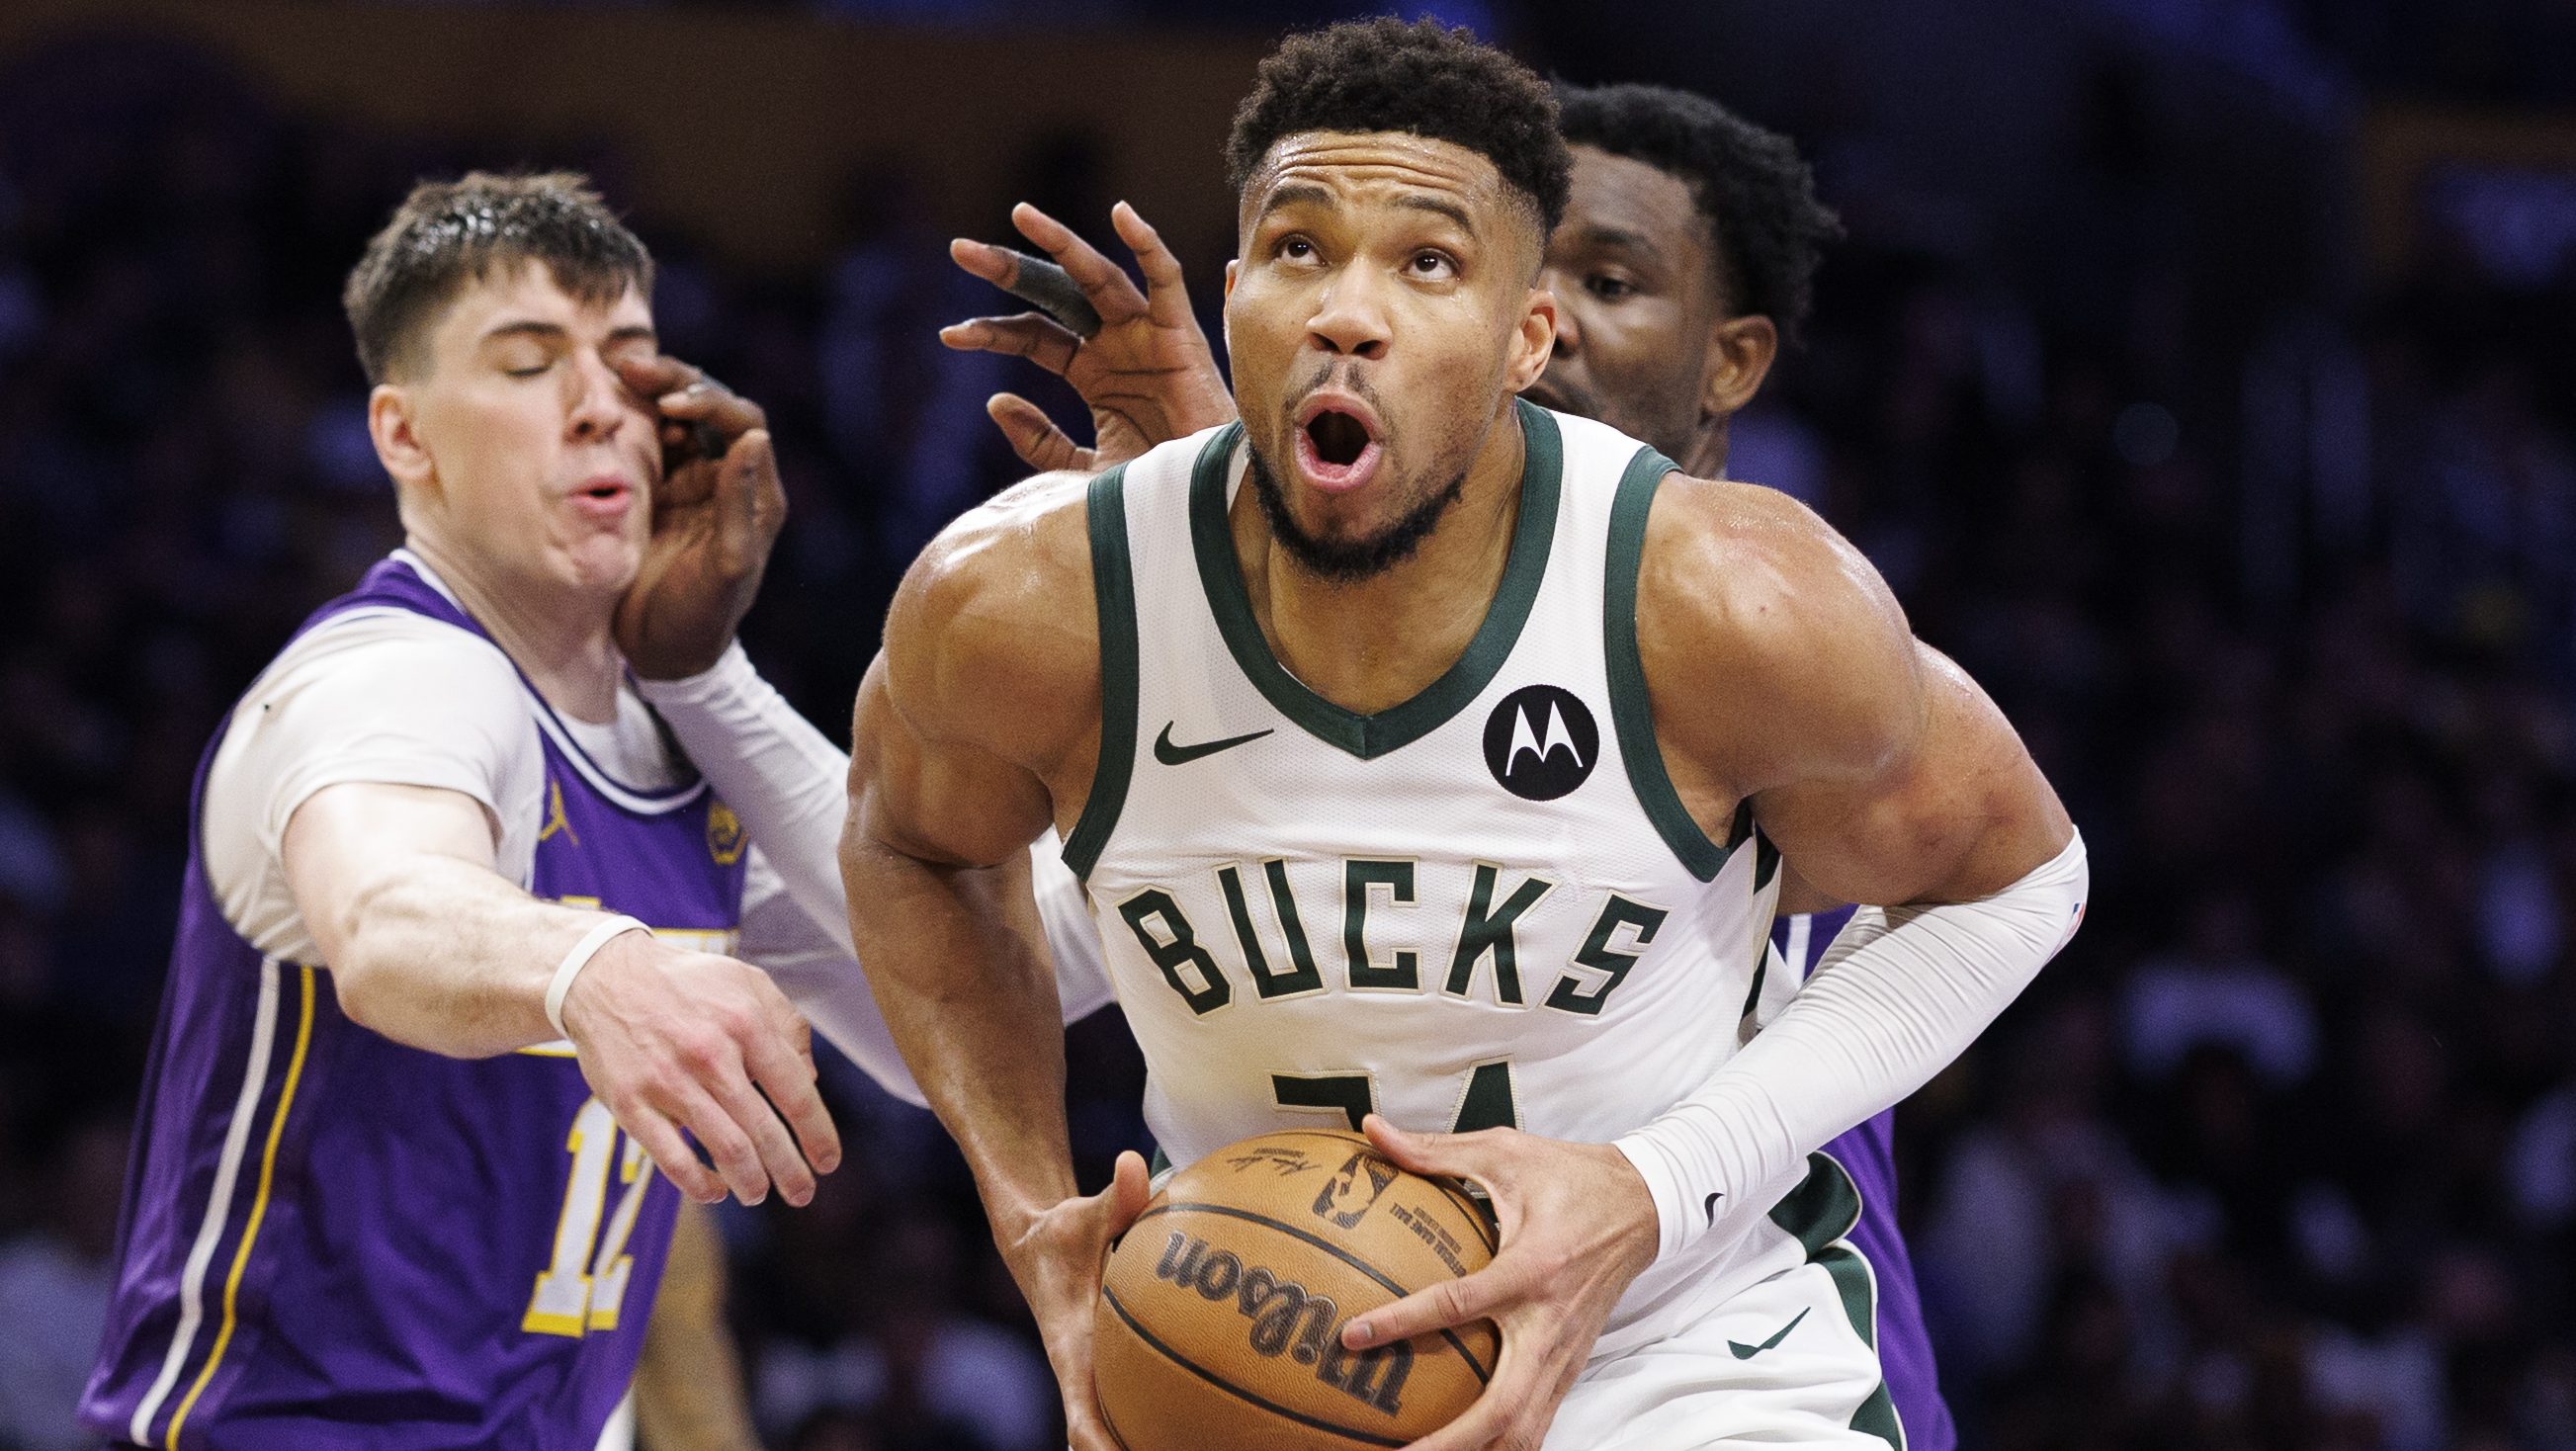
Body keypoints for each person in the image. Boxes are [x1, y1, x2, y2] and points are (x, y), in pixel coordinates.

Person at [848, 19, 2081, 1451]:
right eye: (1298, 250)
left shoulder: (1723, 596)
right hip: (1272, 1351)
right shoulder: (1028, 600)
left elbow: (2018, 875)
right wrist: (1031, 1213)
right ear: (1234, 298)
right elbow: (910, 851)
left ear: (1525, 340)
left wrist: (1651, 1184)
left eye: (1426, 263)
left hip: (1679, 1364)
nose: (1346, 313)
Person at [79, 172, 875, 1451]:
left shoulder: (667, 749)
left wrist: (707, 674)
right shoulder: (392, 675)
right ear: (404, 436)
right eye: (527, 364)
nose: (596, 405)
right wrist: (592, 966)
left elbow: (925, 1016)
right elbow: (390, 914)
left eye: (629, 360)